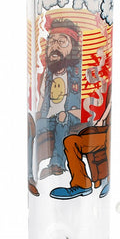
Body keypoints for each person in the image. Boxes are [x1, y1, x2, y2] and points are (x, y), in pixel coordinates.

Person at [29, 19, 83, 185]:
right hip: (50, 116)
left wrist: (69, 113)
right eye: (52, 41)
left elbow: (88, 103)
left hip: (73, 116)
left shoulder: (78, 72)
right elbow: (42, 97)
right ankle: (31, 174)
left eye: (61, 42)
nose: (55, 46)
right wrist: (37, 116)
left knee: (62, 118)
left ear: (73, 47)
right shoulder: (48, 72)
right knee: (32, 126)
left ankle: (56, 165)